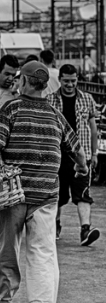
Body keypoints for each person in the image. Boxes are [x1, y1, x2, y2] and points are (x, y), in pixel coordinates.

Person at [0, 60, 87, 303]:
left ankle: (5, 302)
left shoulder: (12, 108)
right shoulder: (54, 114)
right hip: (46, 193)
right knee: (42, 250)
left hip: (14, 192)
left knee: (8, 247)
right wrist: (82, 166)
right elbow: (75, 147)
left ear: (25, 81)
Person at [48, 64, 100, 246]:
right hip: (57, 155)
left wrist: (94, 153)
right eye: (66, 81)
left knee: (83, 192)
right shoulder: (50, 101)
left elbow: (93, 129)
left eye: (73, 80)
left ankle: (85, 229)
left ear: (77, 79)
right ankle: (55, 225)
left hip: (81, 154)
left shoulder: (87, 99)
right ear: (60, 79)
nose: (70, 84)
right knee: (58, 194)